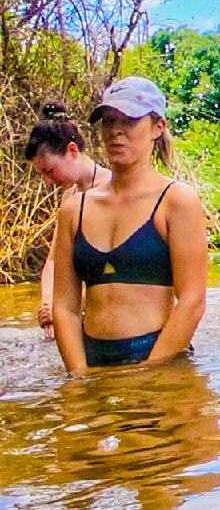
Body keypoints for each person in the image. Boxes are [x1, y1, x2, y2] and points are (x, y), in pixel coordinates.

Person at [47, 77, 208, 371]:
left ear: (158, 128)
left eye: (129, 121)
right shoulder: (74, 209)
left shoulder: (177, 202)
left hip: (160, 359)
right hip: (92, 361)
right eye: (108, 121)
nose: (115, 131)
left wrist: (149, 374)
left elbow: (192, 302)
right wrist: (79, 379)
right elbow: (65, 308)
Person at [20, 104, 112, 338]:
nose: (49, 182)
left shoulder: (114, 189)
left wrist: (63, 307)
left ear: (72, 151)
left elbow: (114, 272)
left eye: (50, 171)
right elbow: (54, 260)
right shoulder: (69, 196)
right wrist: (49, 304)